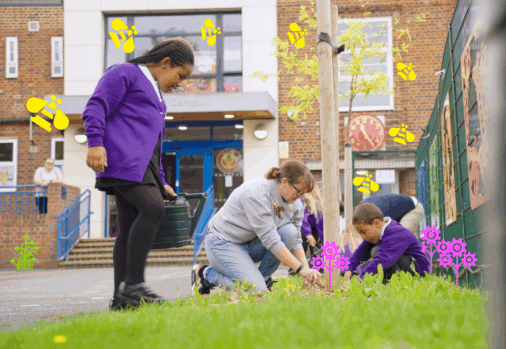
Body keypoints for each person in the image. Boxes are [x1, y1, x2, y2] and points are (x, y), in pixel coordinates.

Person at [82, 38, 194, 311]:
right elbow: (96, 106)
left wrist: (162, 181)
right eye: (180, 76)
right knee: (152, 208)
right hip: (122, 160)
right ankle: (134, 284)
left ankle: (122, 299)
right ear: (166, 63)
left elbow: (154, 144)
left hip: (143, 167)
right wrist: (95, 143)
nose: (179, 84)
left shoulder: (158, 97)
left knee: (130, 224)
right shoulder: (125, 73)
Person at [191, 160, 324, 295]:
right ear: (284, 181)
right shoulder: (256, 194)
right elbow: (271, 240)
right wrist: (300, 268)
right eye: (299, 191)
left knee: (289, 232)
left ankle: (263, 279)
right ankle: (204, 274)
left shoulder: (295, 204)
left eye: (303, 193)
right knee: (255, 290)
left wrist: (307, 272)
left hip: (250, 243)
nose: (300, 197)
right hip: (222, 242)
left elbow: (295, 240)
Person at [343, 202, 430, 284]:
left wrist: (360, 280)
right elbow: (360, 253)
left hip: (418, 272)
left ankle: (397, 282)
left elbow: (382, 260)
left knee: (376, 252)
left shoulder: (396, 233)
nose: (362, 237)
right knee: (367, 265)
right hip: (403, 265)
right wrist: (349, 270)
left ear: (376, 223)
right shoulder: (376, 235)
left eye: (364, 232)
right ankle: (389, 282)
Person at [357, 194, 424, 238]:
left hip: (413, 208)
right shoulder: (361, 211)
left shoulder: (379, 214)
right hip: (395, 212)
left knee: (399, 237)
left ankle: (414, 257)